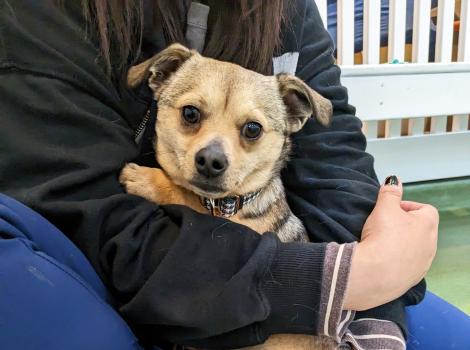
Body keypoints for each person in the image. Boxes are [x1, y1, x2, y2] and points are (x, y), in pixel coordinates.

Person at [0, 1, 467, 349]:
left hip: (290, 274)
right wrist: (347, 279)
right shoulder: (42, 16)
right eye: (191, 116)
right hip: (102, 271)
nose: (213, 154)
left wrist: (376, 307)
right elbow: (85, 218)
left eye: (249, 131)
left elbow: (335, 159)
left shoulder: (288, 12)